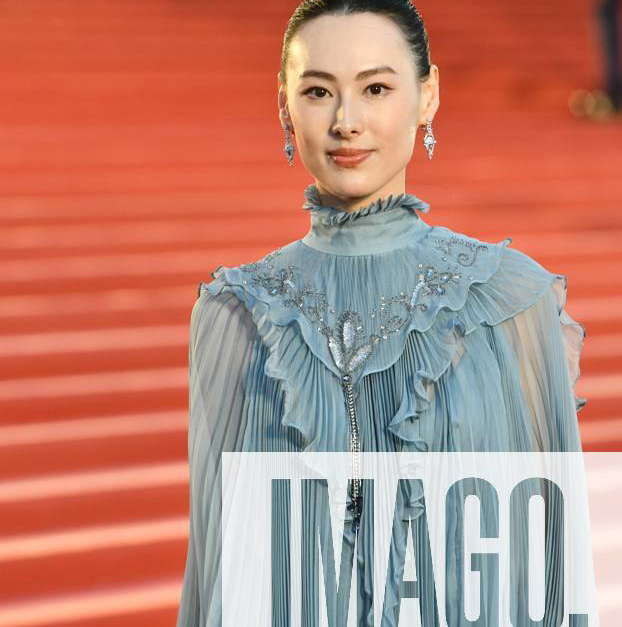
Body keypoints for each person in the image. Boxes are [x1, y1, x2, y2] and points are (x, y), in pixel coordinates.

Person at [176, 1, 591, 625]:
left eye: (375, 88)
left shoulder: (512, 299)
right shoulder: (235, 314)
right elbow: (217, 572)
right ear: (284, 105)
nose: (347, 121)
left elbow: (552, 565)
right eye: (319, 91)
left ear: (428, 98)